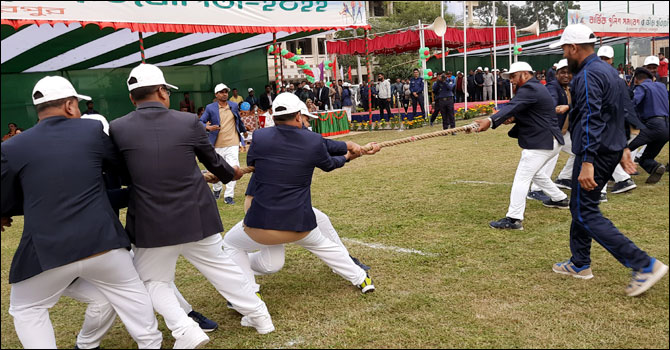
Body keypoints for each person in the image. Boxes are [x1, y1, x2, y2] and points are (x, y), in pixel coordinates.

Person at [109, 64, 275, 347]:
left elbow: (122, 174)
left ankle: (184, 329)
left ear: (132, 97)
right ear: (162, 91)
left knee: (153, 282)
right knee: (223, 271)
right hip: (195, 214)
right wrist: (229, 173)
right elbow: (214, 163)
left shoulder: (117, 128)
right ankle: (261, 318)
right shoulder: (187, 122)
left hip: (151, 222)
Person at [1, 75, 163, 349]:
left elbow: (6, 200)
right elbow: (124, 171)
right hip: (104, 244)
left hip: (47, 250)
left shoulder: (11, 146)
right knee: (132, 298)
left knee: (27, 309)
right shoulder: (89, 131)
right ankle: (151, 344)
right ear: (69, 105)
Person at [222, 92, 378, 303]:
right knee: (326, 247)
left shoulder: (259, 138)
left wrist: (349, 147)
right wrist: (350, 154)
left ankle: (248, 293)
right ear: (298, 116)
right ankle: (362, 279)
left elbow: (254, 160)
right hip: (299, 225)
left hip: (261, 225)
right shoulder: (312, 141)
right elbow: (329, 162)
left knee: (230, 245)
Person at [547, 24, 668, 296]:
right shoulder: (610, 73)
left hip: (596, 151)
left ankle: (644, 264)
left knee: (584, 210)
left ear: (574, 48)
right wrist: (623, 147)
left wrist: (587, 159)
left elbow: (593, 116)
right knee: (581, 205)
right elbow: (620, 111)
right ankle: (579, 263)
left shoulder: (588, 75)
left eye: (566, 49)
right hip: (609, 147)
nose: (565, 55)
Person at [472, 61, 569, 231]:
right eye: (509, 77)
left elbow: (512, 106)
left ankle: (514, 219)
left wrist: (490, 121)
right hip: (551, 140)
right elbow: (527, 111)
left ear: (525, 73)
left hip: (543, 141)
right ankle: (559, 198)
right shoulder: (536, 88)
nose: (511, 80)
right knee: (536, 174)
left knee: (522, 177)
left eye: (513, 76)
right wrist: (512, 118)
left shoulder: (530, 88)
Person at [200, 83, 248, 205]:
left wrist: (244, 131)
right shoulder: (210, 107)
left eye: (226, 91)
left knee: (234, 168)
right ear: (216, 94)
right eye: (221, 92)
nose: (224, 94)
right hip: (216, 144)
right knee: (216, 169)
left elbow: (238, 120)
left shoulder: (233, 105)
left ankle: (229, 196)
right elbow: (200, 121)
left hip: (233, 142)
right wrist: (208, 127)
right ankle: (217, 189)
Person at [627, 67, 669, 184]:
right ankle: (655, 167)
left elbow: (633, 104)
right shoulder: (662, 86)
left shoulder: (642, 87)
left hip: (652, 126)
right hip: (666, 127)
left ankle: (618, 177)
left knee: (622, 148)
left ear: (636, 79)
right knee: (646, 158)